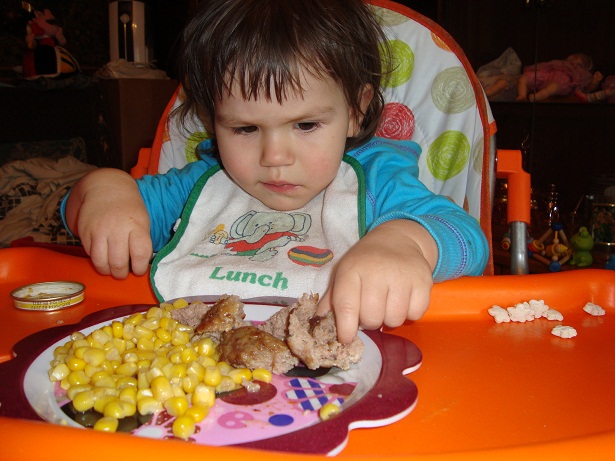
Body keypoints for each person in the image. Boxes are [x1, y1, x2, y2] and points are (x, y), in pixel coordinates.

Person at [63, 0, 489, 344]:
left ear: (355, 112)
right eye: (245, 129)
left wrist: (404, 242)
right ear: (214, 121)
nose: (275, 157)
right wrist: (105, 190)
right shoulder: (202, 186)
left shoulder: (375, 181)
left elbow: (466, 237)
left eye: (305, 125)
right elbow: (93, 212)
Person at [517, 53, 602, 102]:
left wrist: (595, 80)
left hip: (563, 81)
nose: (576, 58)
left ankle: (535, 97)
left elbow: (588, 86)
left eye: (581, 61)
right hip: (548, 73)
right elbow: (547, 67)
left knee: (553, 87)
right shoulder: (560, 64)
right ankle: (522, 96)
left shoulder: (580, 73)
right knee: (524, 78)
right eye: (576, 56)